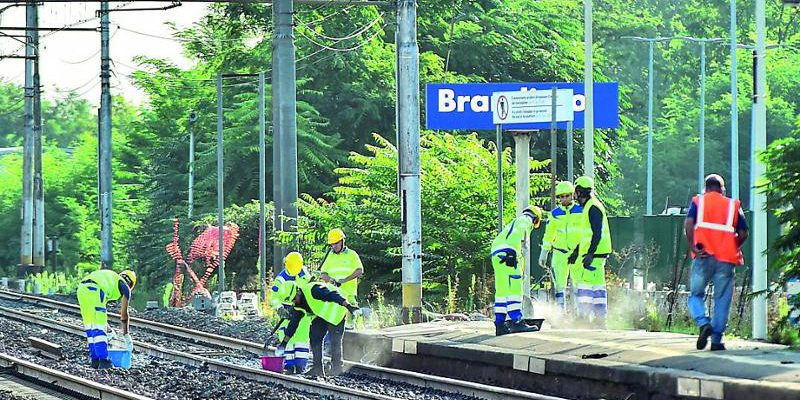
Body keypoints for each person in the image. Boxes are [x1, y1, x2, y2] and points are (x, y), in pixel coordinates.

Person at [685, 174, 748, 351]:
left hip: (703, 255)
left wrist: (693, 246)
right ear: (722, 189)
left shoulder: (699, 201)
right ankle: (717, 341)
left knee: (696, 294)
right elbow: (743, 233)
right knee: (722, 299)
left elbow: (689, 224)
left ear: (706, 188)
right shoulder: (733, 205)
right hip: (726, 259)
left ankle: (704, 323)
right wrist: (731, 245)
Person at [277, 280, 360, 377]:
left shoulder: (313, 290)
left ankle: (337, 370)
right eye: (292, 301)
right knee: (315, 338)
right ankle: (317, 369)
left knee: (335, 341)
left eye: (294, 299)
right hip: (322, 315)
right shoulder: (298, 305)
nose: (294, 302)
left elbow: (333, 294)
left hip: (337, 312)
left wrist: (349, 306)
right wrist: (283, 344)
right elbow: (293, 324)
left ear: (298, 292)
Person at [491, 205, 544, 336]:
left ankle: (500, 323)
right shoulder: (525, 220)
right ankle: (517, 321)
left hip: (496, 254)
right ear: (535, 218)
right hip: (509, 253)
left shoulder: (513, 222)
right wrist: (511, 254)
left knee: (502, 289)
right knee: (515, 288)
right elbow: (516, 234)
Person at [570, 176, 612, 328]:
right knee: (597, 286)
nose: (574, 196)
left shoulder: (593, 207)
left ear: (580, 192)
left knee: (586, 285)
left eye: (576, 192)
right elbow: (586, 235)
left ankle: (585, 318)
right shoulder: (590, 207)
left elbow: (597, 233)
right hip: (594, 254)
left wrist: (590, 253)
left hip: (594, 255)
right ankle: (600, 319)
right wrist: (576, 252)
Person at [76, 268, 136, 369]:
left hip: (82, 289)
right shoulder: (125, 286)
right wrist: (126, 335)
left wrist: (109, 329)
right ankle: (104, 361)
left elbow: (99, 311)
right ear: (131, 284)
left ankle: (95, 360)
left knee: (90, 325)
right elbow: (124, 315)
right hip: (95, 289)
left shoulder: (111, 278)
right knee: (99, 327)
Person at [539, 181, 583, 313]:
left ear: (572, 195)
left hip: (577, 253)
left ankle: (578, 315)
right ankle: (560, 314)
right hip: (559, 253)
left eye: (566, 196)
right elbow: (549, 235)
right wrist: (544, 252)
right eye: (561, 196)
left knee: (578, 285)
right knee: (559, 286)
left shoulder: (581, 211)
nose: (564, 199)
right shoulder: (554, 214)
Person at [269, 251, 312, 374]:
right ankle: (288, 365)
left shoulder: (305, 276)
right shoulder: (281, 279)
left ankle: (300, 365)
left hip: (301, 312)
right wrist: (279, 308)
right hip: (286, 312)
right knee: (287, 338)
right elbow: (274, 297)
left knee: (302, 339)